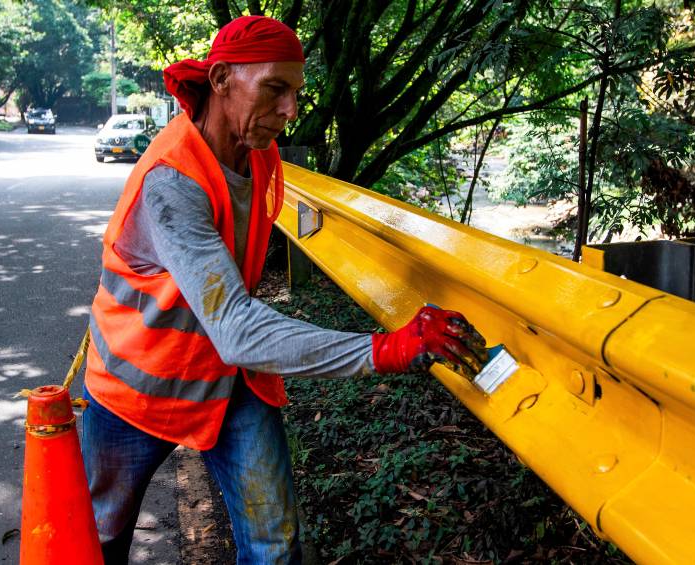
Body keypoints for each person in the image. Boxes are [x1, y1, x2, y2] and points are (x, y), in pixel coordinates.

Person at [81, 15, 488, 565]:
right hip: (138, 383)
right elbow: (239, 327)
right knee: (97, 541)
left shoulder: (258, 150)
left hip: (230, 377)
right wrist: (387, 348)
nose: (292, 111)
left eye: (296, 93)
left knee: (277, 546)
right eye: (276, 89)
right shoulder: (172, 180)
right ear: (221, 79)